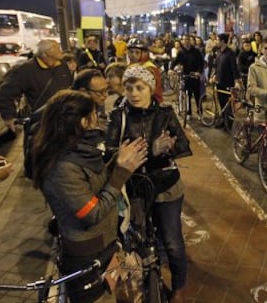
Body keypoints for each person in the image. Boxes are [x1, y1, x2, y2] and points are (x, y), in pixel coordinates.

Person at [32, 89, 148, 302]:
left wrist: (118, 162)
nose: (99, 118)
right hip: (87, 255)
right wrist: (121, 173)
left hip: (107, 243)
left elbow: (97, 183)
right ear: (83, 121)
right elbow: (92, 213)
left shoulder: (83, 150)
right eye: (94, 114)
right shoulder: (63, 167)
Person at [106, 66, 192, 303]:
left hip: (165, 186)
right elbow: (109, 151)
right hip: (132, 187)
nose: (134, 93)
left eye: (140, 87)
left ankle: (179, 287)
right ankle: (132, 283)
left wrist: (168, 147)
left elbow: (183, 146)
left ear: (151, 89)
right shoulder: (118, 115)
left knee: (172, 242)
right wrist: (132, 153)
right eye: (129, 87)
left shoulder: (165, 113)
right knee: (129, 239)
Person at [0, 39, 73, 178]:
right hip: (39, 121)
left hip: (63, 118)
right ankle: (35, 174)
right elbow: (5, 93)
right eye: (57, 48)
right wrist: (9, 117)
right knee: (37, 151)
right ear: (48, 53)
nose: (61, 50)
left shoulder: (61, 65)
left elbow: (70, 86)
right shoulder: (25, 70)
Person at [211, 33, 242, 128]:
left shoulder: (230, 53)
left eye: (217, 40)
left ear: (223, 41)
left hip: (228, 82)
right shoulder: (219, 52)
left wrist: (237, 81)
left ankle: (228, 124)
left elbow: (234, 68)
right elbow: (216, 66)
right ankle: (223, 121)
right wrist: (213, 75)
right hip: (219, 81)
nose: (216, 41)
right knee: (222, 103)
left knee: (228, 104)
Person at [170, 34, 204, 119]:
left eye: (187, 39)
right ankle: (189, 112)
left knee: (197, 96)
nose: (186, 41)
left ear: (190, 41)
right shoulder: (181, 52)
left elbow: (201, 63)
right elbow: (175, 61)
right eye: (184, 39)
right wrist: (170, 69)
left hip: (195, 76)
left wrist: (198, 72)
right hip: (185, 76)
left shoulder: (196, 51)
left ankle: (200, 112)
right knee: (187, 96)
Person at [127, 38, 163, 103]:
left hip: (150, 104)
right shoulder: (131, 66)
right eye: (131, 52)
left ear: (144, 53)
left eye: (137, 52)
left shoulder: (149, 68)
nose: (133, 55)